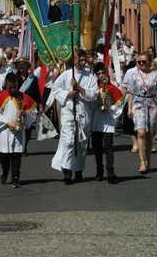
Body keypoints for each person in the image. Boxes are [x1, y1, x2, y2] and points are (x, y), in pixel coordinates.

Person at [51, 48, 99, 184]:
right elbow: (55, 88)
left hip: (83, 111)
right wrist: (67, 94)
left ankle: (78, 170)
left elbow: (94, 94)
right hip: (69, 111)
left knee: (81, 142)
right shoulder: (66, 75)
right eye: (81, 60)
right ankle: (67, 170)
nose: (83, 63)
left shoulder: (89, 76)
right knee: (68, 140)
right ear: (75, 60)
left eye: (85, 60)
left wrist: (80, 89)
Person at [0, 72, 37, 188]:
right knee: (4, 156)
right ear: (6, 85)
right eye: (10, 87)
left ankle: (16, 177)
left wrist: (24, 114)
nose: (13, 89)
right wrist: (6, 123)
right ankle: (5, 172)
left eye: (15, 86)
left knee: (16, 155)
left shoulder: (23, 97)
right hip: (5, 131)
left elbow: (32, 112)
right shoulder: (2, 97)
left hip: (18, 131)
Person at [127, 52, 157, 174]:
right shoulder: (134, 75)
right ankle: (142, 161)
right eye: (139, 62)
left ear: (149, 61)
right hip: (138, 104)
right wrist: (129, 108)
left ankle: (149, 161)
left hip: (152, 105)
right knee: (141, 132)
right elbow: (130, 91)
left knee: (149, 134)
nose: (141, 64)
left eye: (144, 61)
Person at [92, 62, 124, 183]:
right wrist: (98, 98)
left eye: (103, 73)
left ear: (107, 73)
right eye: (98, 73)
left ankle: (110, 172)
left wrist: (109, 106)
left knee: (109, 148)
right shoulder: (94, 88)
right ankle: (99, 171)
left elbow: (119, 106)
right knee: (97, 148)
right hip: (96, 121)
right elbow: (89, 103)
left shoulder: (112, 88)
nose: (101, 75)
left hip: (108, 121)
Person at [11, 56, 43, 155]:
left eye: (23, 64)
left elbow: (37, 92)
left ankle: (24, 146)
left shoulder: (32, 78)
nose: (21, 67)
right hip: (17, 103)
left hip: (29, 105)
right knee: (18, 124)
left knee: (28, 126)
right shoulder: (14, 77)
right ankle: (18, 146)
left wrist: (40, 105)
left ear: (26, 66)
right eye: (19, 65)